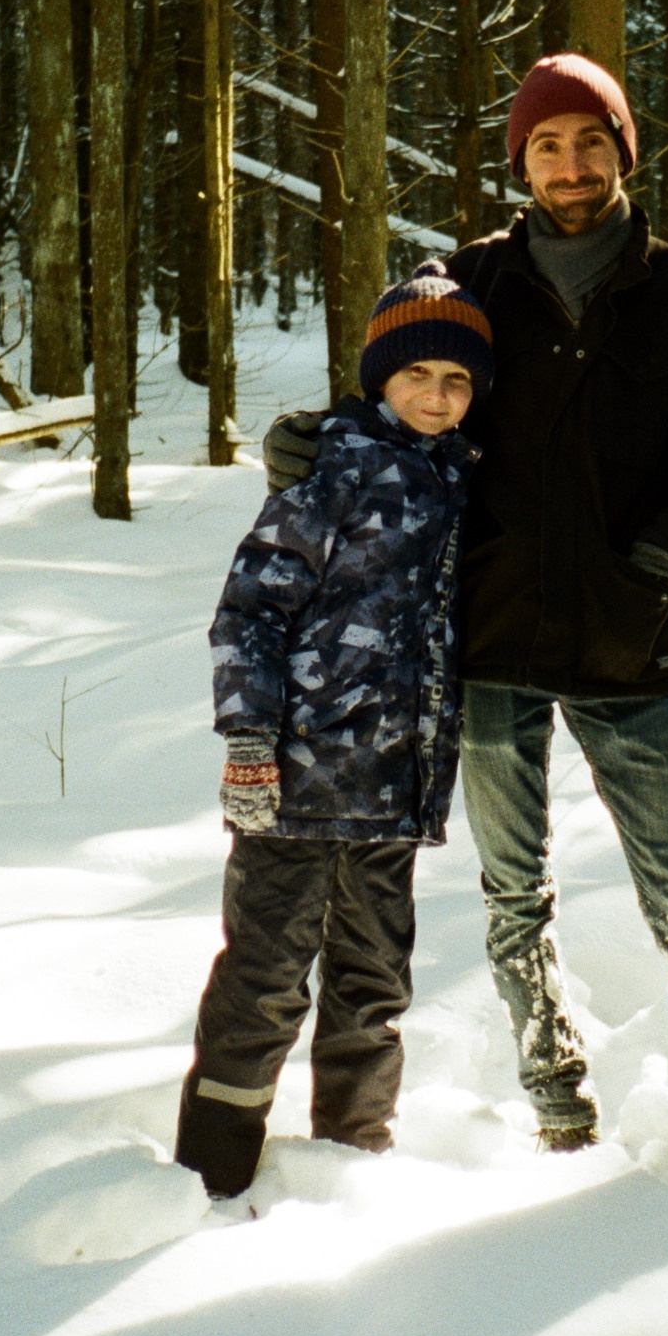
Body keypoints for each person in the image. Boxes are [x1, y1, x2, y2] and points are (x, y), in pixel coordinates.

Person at [267, 52, 668, 1190]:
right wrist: (311, 445)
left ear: (622, 149)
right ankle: (558, 1112)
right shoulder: (475, 285)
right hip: (488, 642)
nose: (569, 164)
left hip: (622, 641)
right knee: (511, 895)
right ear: (519, 161)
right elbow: (406, 396)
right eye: (546, 145)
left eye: (589, 140)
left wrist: (653, 560)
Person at [175, 266, 493, 1201]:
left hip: (395, 791)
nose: (436, 397)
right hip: (297, 784)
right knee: (266, 978)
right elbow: (248, 615)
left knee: (373, 985)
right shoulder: (333, 474)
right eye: (417, 376)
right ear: (378, 377)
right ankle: (212, 1171)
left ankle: (352, 1165)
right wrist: (247, 742)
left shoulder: (463, 482)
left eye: (457, 381)